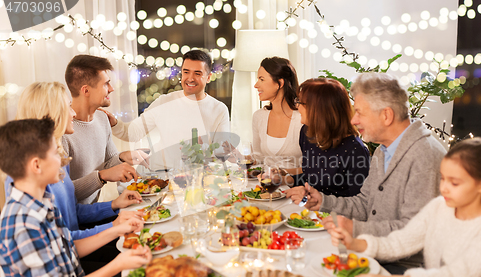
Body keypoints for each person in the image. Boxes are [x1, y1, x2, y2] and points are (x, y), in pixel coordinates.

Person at [286, 72, 446, 274]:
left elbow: (413, 232)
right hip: (374, 252)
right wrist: (323, 201)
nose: (353, 120)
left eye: (360, 113)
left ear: (386, 115)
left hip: (406, 269)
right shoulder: (383, 150)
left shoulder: (424, 157)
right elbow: (364, 203)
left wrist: (356, 230)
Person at [4, 81, 146, 277]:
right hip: (68, 267)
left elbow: (70, 218)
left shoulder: (55, 156)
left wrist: (114, 206)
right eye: (67, 107)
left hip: (72, 252)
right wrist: (113, 225)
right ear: (51, 114)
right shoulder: (35, 176)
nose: (73, 112)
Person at [329, 138, 481, 277]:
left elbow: (457, 276)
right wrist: (357, 243)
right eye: (442, 179)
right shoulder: (439, 207)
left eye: (454, 183)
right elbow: (402, 241)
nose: (444, 188)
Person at [101, 50, 231, 170]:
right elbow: (134, 133)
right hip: (161, 174)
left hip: (197, 176)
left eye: (197, 73)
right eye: (186, 72)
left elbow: (221, 154)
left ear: (208, 77)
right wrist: (114, 123)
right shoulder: (164, 102)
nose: (190, 78)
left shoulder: (219, 109)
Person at [63, 54, 148, 204]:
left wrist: (124, 157)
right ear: (86, 90)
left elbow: (109, 163)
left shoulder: (102, 119)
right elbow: (63, 192)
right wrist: (101, 176)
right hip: (77, 220)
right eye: (106, 84)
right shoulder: (63, 131)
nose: (112, 89)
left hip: (96, 211)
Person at [288, 78, 370, 196]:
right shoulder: (307, 133)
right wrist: (288, 180)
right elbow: (313, 178)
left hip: (336, 214)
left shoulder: (355, 150)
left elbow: (359, 203)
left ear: (318, 109)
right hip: (310, 211)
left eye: (300, 102)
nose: (297, 107)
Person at [252, 57, 302, 172]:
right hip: (267, 185)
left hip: (297, 186)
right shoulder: (259, 116)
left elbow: (313, 168)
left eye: (261, 79)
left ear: (280, 83)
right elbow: (258, 158)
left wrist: (282, 175)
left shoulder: (302, 118)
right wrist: (237, 157)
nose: (256, 85)